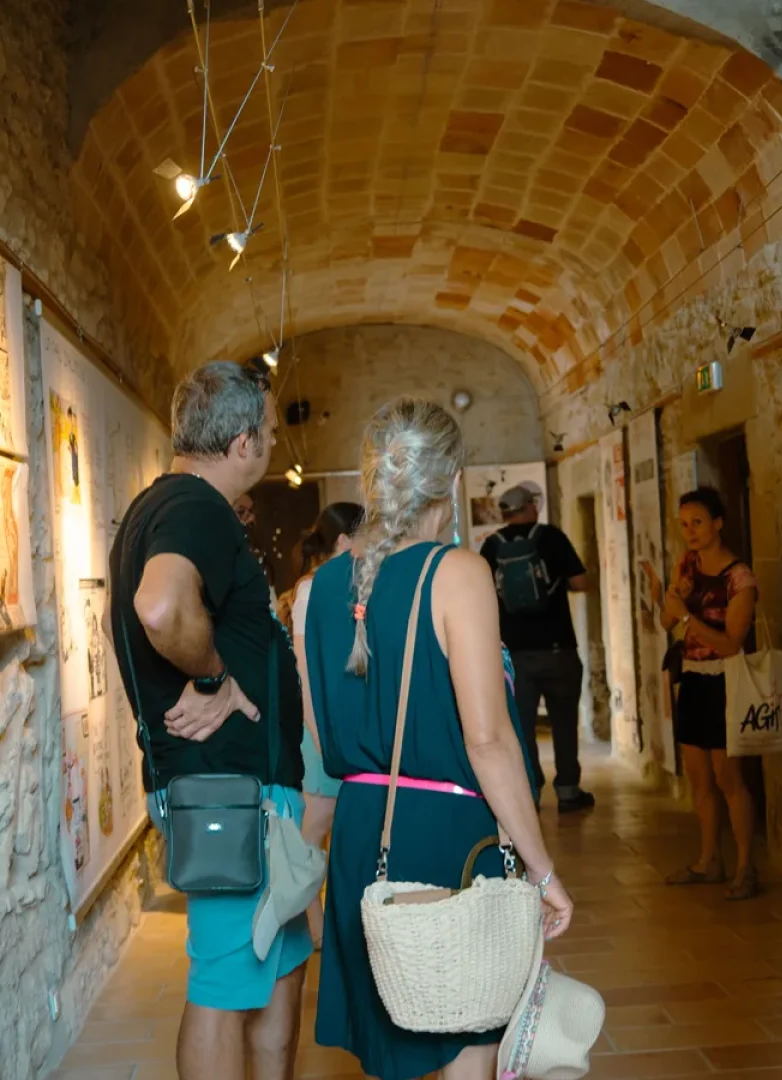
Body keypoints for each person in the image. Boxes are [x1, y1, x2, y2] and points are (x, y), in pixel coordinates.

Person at [302, 399, 573, 1080]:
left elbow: (320, 736)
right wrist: (543, 871)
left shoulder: (317, 589)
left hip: (364, 834)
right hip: (448, 835)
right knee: (467, 1047)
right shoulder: (456, 574)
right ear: (451, 478)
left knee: (393, 1049)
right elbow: (488, 742)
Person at [107, 361, 311, 1080]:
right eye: (271, 433)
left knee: (280, 964)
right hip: (226, 795)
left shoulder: (178, 506)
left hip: (248, 789)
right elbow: (160, 606)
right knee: (225, 987)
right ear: (245, 442)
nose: (272, 447)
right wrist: (214, 676)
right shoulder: (194, 508)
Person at [646, 487, 761, 901]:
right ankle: (709, 859)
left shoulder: (739, 577)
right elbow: (666, 623)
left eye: (697, 522)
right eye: (683, 525)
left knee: (729, 777)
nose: (689, 531)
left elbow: (732, 643)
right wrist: (665, 597)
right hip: (692, 678)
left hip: (726, 680)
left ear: (718, 523)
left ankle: (746, 865)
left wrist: (687, 617)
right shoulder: (687, 565)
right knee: (699, 778)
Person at [478, 485, 595, 812]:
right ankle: (569, 791)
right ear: (530, 507)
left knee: (522, 728)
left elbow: (481, 595)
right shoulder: (552, 538)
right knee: (564, 722)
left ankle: (530, 791)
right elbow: (580, 582)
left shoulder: (492, 546)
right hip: (558, 649)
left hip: (514, 654)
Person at [281, 500, 363, 947]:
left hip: (339, 721)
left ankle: (325, 922)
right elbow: (305, 668)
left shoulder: (348, 584)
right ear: (343, 541)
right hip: (321, 725)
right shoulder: (314, 588)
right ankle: (312, 924)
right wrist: (316, 734)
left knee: (327, 824)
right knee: (315, 827)